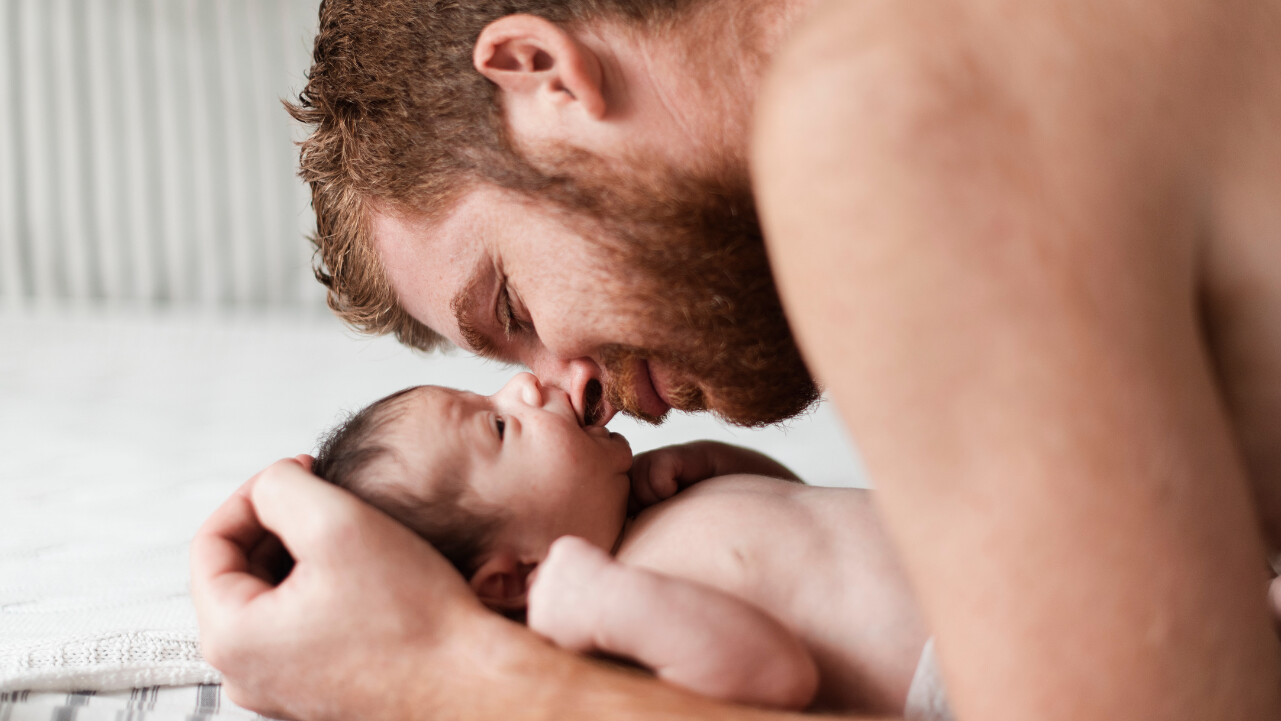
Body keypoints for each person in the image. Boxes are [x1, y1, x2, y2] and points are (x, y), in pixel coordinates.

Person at [190, 0, 1281, 719]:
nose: (578, 382)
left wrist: (435, 671)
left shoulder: (886, 111)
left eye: (512, 300)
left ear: (542, 74)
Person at [307, 373, 936, 715]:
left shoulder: (646, 516)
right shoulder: (613, 627)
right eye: (499, 425)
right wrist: (607, 601)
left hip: (980, 564)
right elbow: (776, 677)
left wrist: (718, 464)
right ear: (513, 578)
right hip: (958, 671)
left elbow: (802, 517)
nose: (523, 384)